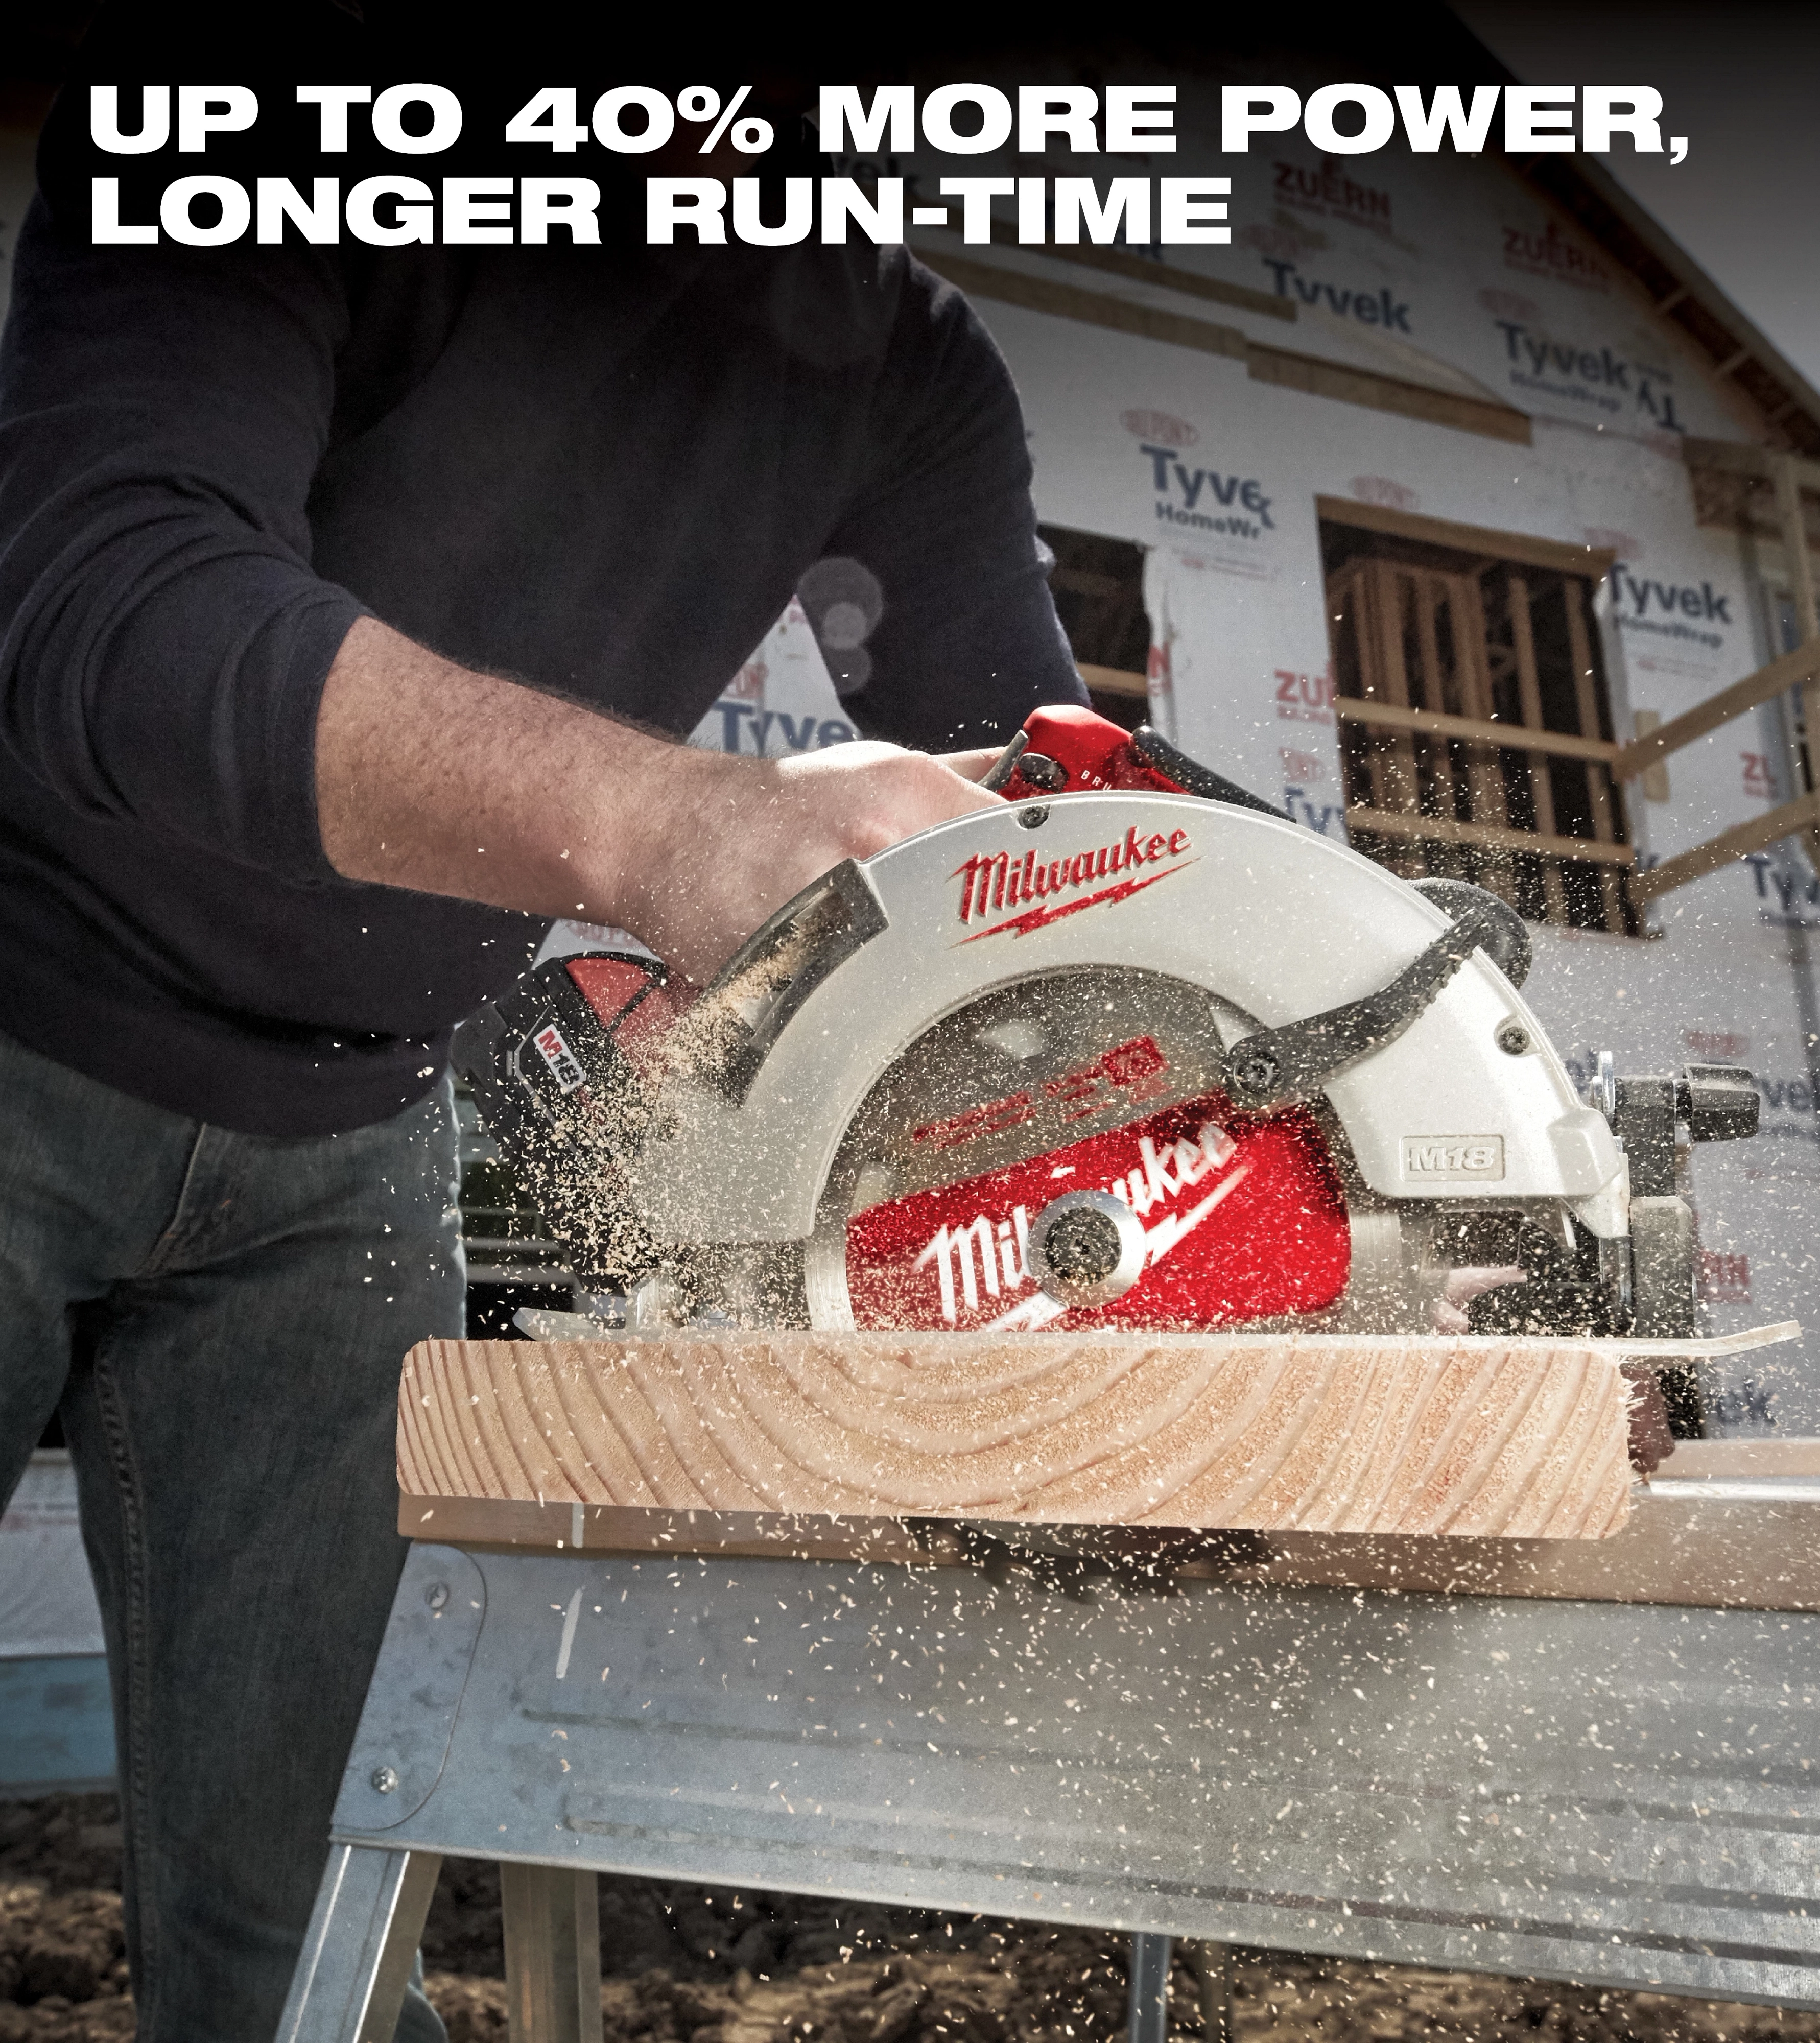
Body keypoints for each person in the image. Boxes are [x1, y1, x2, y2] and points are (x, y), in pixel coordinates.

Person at [0, 28, 1082, 2040]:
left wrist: (1292, 1051)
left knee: (301, 1940)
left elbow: (1042, 810)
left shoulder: (895, 359)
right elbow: (112, 606)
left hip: (352, 1142)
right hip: (20, 1012)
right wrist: (673, 825)